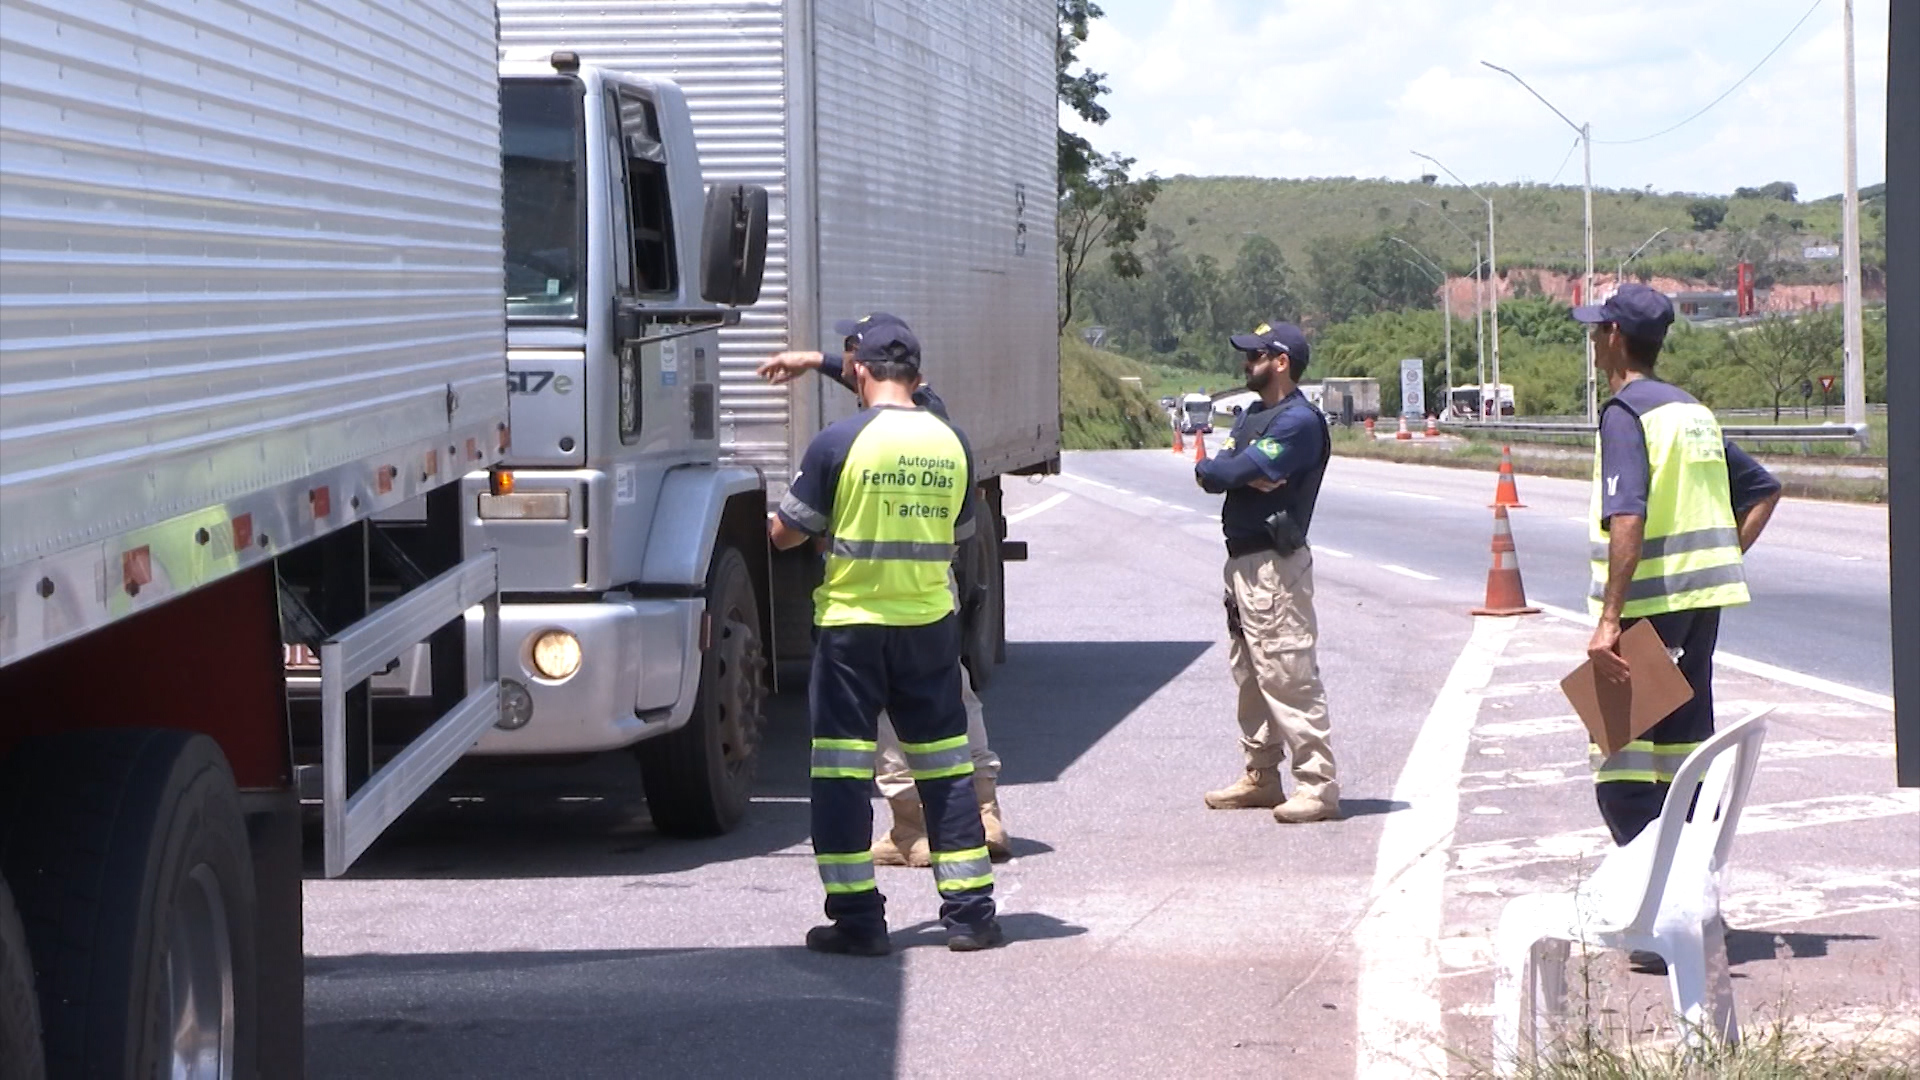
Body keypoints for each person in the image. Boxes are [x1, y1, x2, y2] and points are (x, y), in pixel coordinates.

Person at [767, 317, 1004, 955]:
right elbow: (959, 534)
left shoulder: (838, 442)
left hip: (852, 631)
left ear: (860, 371)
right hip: (927, 626)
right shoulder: (952, 442)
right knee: (946, 770)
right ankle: (971, 915)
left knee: (842, 776)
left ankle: (858, 922)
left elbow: (786, 534)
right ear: (916, 375)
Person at [1571, 284, 1781, 846]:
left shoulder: (1625, 413)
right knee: (1681, 759)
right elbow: (1763, 489)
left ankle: (1648, 887)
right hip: (1699, 607)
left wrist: (1609, 621)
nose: (1593, 339)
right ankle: (1687, 878)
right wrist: (1719, 557)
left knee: (1622, 773)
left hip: (1645, 608)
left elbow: (1627, 516)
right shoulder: (1691, 412)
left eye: (1598, 329)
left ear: (1616, 337)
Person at [1194, 322, 1340, 824]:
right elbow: (1217, 471)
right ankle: (1261, 775)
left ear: (1281, 362)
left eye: (1255, 355)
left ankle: (1317, 785)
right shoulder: (1253, 416)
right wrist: (1237, 470)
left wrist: (1238, 470)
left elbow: (1231, 471)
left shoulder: (1298, 422)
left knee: (1287, 672)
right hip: (1241, 563)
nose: (1246, 362)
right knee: (1250, 675)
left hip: (1275, 566)